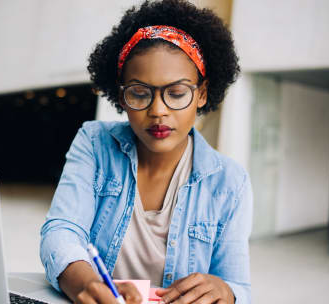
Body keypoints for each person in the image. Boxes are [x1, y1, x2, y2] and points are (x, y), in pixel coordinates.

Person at [40, 1, 251, 303]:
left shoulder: (231, 182)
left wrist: (226, 292)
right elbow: (62, 230)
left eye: (177, 93)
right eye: (139, 93)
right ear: (121, 96)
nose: (158, 111)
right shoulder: (94, 143)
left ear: (202, 93)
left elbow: (239, 286)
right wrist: (87, 284)